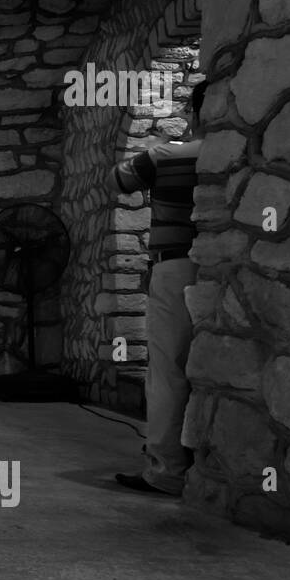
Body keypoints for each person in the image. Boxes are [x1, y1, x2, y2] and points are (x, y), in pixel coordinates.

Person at [113, 79, 206, 496]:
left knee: (168, 369)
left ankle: (167, 468)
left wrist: (158, 141)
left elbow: (119, 181)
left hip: (176, 268)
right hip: (220, 270)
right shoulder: (239, 156)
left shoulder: (167, 155)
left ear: (195, 113)